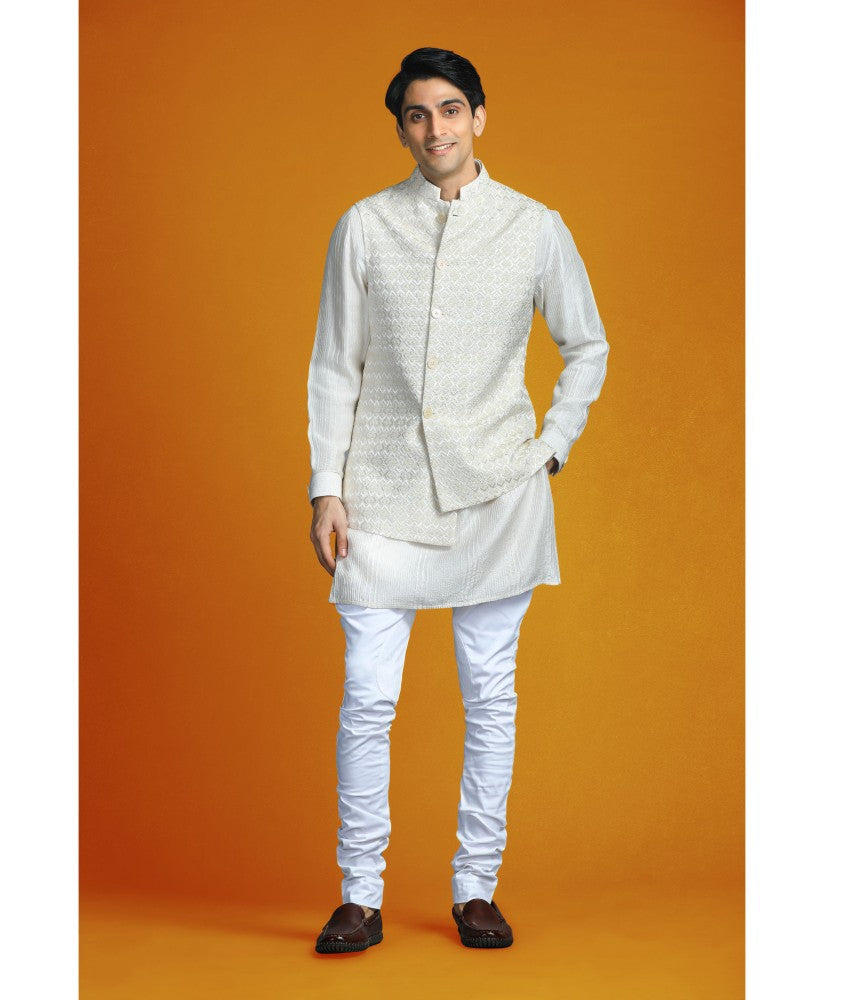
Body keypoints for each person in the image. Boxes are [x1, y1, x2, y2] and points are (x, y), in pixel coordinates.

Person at [307, 47, 609, 954]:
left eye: (448, 109)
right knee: (368, 699)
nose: (433, 128)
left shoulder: (534, 227)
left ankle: (477, 887)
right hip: (382, 494)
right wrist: (326, 487)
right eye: (415, 114)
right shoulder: (365, 227)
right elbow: (335, 365)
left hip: (497, 496)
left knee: (490, 696)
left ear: (478, 115)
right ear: (401, 128)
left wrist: (551, 445)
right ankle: (359, 896)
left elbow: (587, 345)